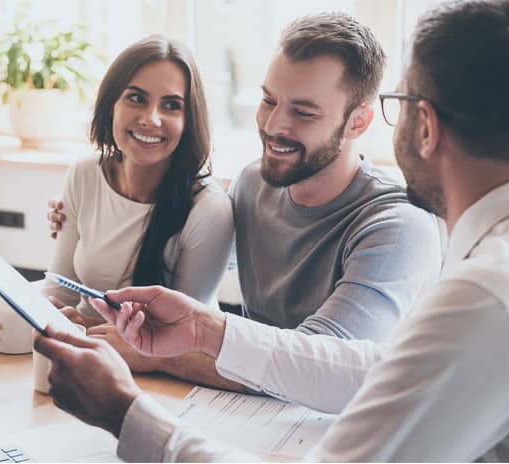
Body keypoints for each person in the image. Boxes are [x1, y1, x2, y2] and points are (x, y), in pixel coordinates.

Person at [35, 0, 509, 460]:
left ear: (425, 125)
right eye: (268, 100)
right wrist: (208, 330)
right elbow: (369, 368)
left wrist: (125, 413)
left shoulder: (488, 295)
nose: (274, 125)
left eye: (398, 105)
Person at [46, 12, 443, 390]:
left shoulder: (397, 228)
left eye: (303, 112)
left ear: (358, 122)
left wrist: (157, 355)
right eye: (269, 101)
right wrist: (86, 216)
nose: (273, 127)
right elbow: (192, 241)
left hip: (343, 434)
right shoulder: (255, 183)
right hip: (244, 411)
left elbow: (317, 369)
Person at [0, 35, 234, 354]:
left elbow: (183, 341)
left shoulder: (209, 209)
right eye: (136, 98)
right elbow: (59, 291)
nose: (151, 118)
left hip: (165, 373)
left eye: (171, 105)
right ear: (111, 104)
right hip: (83, 352)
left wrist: (83, 329)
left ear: (188, 120)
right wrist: (19, 317)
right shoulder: (85, 175)